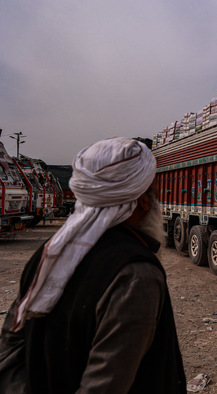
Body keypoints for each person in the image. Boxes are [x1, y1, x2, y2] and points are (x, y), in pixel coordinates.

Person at [0, 137, 186, 393]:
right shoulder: (135, 274)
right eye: (152, 192)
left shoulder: (47, 255)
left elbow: (9, 352)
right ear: (143, 201)